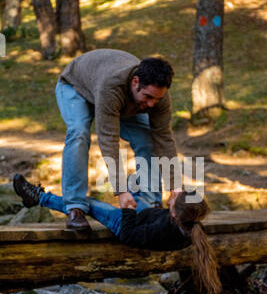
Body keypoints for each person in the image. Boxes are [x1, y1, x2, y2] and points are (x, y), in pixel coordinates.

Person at [13, 174, 222, 294]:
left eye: (175, 199)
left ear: (174, 213)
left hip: (125, 223)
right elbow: (168, 212)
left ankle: (38, 197)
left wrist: (128, 211)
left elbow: (128, 235)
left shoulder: (161, 231)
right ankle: (132, 190)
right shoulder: (191, 224)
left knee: (89, 203)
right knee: (140, 185)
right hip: (147, 216)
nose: (173, 196)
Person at [56, 49, 179, 231]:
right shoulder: (111, 87)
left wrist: (175, 187)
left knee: (148, 139)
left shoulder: (158, 97)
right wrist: (121, 190)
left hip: (119, 100)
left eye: (157, 99)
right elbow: (108, 140)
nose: (152, 104)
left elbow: (164, 139)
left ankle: (151, 206)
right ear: (135, 82)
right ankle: (75, 208)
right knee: (79, 133)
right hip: (76, 87)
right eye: (148, 97)